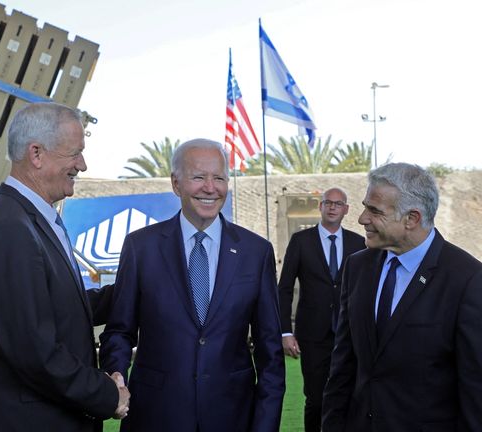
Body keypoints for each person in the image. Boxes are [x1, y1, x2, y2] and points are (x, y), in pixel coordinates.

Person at [0, 102, 130, 432]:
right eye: (74, 153)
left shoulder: (29, 218)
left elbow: (57, 307)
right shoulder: (9, 228)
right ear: (36, 154)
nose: (83, 165)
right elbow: (32, 350)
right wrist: (106, 394)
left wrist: (135, 293)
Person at [99, 138, 285, 432]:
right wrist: (116, 374)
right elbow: (119, 331)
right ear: (176, 184)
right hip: (155, 417)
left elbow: (270, 354)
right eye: (199, 177)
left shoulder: (256, 252)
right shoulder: (141, 247)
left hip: (232, 417)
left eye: (219, 178)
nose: (210, 188)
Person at [322, 163, 482, 431]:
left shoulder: (467, 279)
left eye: (375, 211)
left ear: (412, 218)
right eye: (365, 206)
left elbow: (475, 389)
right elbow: (343, 367)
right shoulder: (357, 267)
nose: (362, 218)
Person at [278, 187, 365, 432]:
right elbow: (284, 288)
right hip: (313, 335)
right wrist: (285, 331)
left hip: (349, 334)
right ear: (321, 206)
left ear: (346, 209)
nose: (333, 207)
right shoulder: (301, 241)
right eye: (328, 202)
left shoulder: (359, 243)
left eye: (338, 204)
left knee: (349, 397)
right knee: (316, 400)